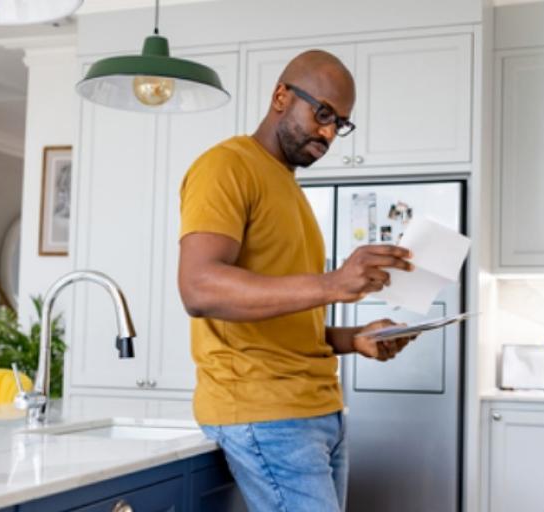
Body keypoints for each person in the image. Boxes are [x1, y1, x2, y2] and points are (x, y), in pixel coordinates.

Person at [177, 50, 416, 512]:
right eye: (322, 113)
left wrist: (354, 339)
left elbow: (280, 324)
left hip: (317, 410)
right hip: (265, 411)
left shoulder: (287, 185)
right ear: (281, 95)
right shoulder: (226, 167)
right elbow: (199, 287)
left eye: (339, 123)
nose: (328, 132)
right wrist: (332, 283)